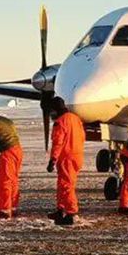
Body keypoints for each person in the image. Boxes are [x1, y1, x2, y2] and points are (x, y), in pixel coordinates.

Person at [47, 97, 85, 226]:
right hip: (77, 155)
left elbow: (58, 142)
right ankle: (61, 209)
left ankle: (71, 212)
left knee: (66, 186)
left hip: (66, 157)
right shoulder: (75, 118)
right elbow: (82, 136)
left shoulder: (60, 122)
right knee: (64, 184)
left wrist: (53, 159)